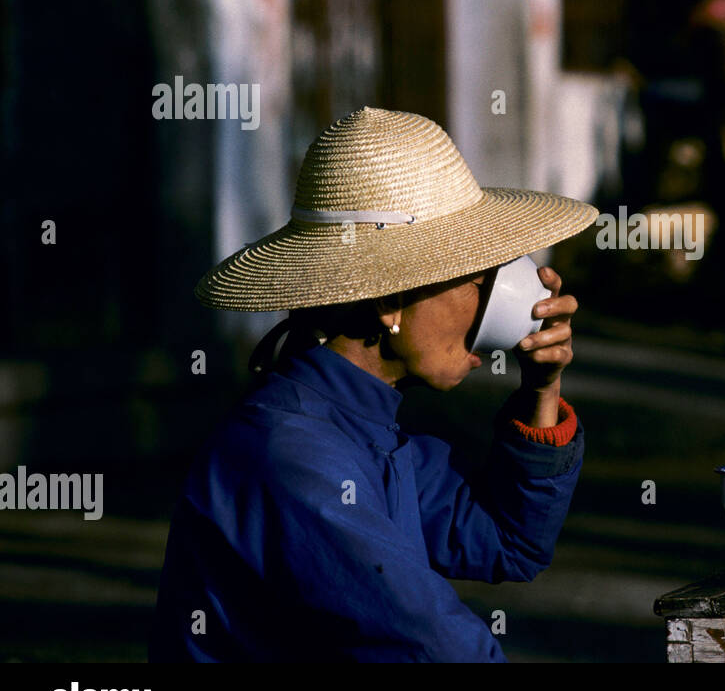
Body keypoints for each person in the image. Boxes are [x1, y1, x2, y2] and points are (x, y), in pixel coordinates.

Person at [149, 107, 598, 661]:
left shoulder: (361, 429)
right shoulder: (294, 458)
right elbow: (433, 647)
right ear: (390, 302)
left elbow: (507, 542)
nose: (494, 310)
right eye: (480, 280)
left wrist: (541, 392)